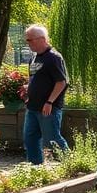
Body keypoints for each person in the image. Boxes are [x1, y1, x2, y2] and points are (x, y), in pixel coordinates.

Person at [23, 24, 68, 165]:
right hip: (32, 107)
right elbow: (35, 78)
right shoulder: (34, 58)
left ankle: (70, 164)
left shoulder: (54, 57)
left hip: (48, 108)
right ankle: (35, 167)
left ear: (42, 39)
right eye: (27, 40)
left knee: (52, 139)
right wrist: (28, 88)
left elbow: (61, 82)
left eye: (30, 40)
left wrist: (49, 102)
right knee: (30, 138)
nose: (28, 43)